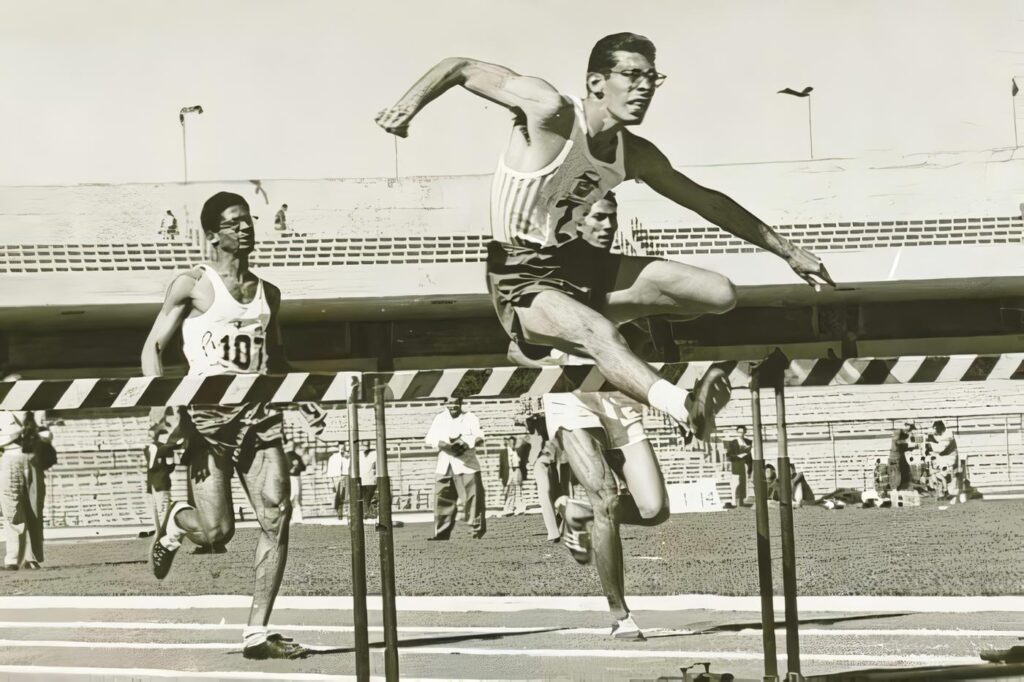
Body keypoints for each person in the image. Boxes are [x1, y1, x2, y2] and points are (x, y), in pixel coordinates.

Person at [376, 32, 834, 444]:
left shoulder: (635, 154)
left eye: (652, 78)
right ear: (597, 83)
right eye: (632, 76)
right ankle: (682, 405)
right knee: (602, 333)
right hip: (520, 274)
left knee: (719, 293)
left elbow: (706, 201)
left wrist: (789, 251)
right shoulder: (550, 112)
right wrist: (407, 105)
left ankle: (602, 326)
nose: (645, 88)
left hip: (578, 264)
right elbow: (460, 65)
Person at [140, 190, 309, 660]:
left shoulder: (268, 293)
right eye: (234, 223)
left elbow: (276, 360)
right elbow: (153, 347)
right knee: (216, 533)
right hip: (207, 420)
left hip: (258, 417)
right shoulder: (193, 285)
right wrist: (161, 403)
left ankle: (257, 633)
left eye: (248, 220)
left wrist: (302, 398)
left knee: (276, 514)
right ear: (212, 234)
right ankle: (175, 520)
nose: (246, 228)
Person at [424, 397, 486, 540]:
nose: (452, 406)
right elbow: (429, 438)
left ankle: (477, 532)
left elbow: (480, 437)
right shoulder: (440, 418)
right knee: (442, 499)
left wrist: (466, 443)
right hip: (445, 465)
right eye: (449, 403)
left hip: (466, 464)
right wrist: (443, 444)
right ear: (446, 404)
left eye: (455, 403)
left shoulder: (470, 418)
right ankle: (441, 533)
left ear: (460, 403)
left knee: (473, 499)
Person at [0, 407, 53, 571]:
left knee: (33, 507)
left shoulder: (35, 409)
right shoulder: (3, 412)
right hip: (10, 456)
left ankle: (29, 559)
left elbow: (47, 436)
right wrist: (17, 435)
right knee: (12, 507)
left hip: (30, 457)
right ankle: (16, 558)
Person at [927, 420, 963, 502]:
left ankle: (945, 492)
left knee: (940, 477)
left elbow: (943, 449)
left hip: (948, 458)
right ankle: (944, 492)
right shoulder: (943, 435)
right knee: (940, 477)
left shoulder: (948, 434)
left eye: (936, 429)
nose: (935, 431)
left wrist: (931, 443)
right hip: (945, 459)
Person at [499, 436, 528, 516]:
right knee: (510, 490)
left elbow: (522, 463)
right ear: (508, 443)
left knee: (518, 490)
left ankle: (520, 508)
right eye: (511, 443)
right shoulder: (504, 452)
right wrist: (501, 477)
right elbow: (501, 465)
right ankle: (508, 508)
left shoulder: (518, 451)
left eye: (514, 443)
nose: (512, 444)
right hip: (509, 471)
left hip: (517, 470)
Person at [725, 426, 753, 508]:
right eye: (739, 432)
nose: (741, 434)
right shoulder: (733, 442)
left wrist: (750, 468)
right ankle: (734, 502)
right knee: (736, 483)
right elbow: (729, 455)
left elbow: (750, 456)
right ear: (737, 432)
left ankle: (742, 501)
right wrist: (738, 456)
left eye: (742, 432)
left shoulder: (748, 442)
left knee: (743, 483)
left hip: (745, 465)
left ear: (745, 432)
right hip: (736, 464)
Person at [326, 444, 350, 521]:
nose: (342, 449)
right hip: (337, 477)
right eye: (340, 447)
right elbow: (330, 471)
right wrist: (332, 483)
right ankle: (339, 515)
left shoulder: (348, 457)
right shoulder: (333, 458)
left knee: (348, 496)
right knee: (339, 497)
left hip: (346, 476)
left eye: (343, 448)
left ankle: (349, 514)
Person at [287, 443, 307, 524]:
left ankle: (296, 518)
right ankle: (292, 517)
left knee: (296, 497)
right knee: (293, 497)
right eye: (302, 449)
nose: (303, 451)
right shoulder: (289, 455)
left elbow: (303, 468)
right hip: (291, 478)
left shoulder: (298, 457)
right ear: (298, 448)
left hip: (296, 478)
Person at [360, 441, 378, 521]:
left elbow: (376, 466)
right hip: (362, 480)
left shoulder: (374, 453)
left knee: (367, 498)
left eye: (367, 444)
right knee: (365, 498)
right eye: (364, 444)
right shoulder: (359, 454)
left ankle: (366, 513)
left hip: (371, 480)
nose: (365, 446)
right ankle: (367, 513)